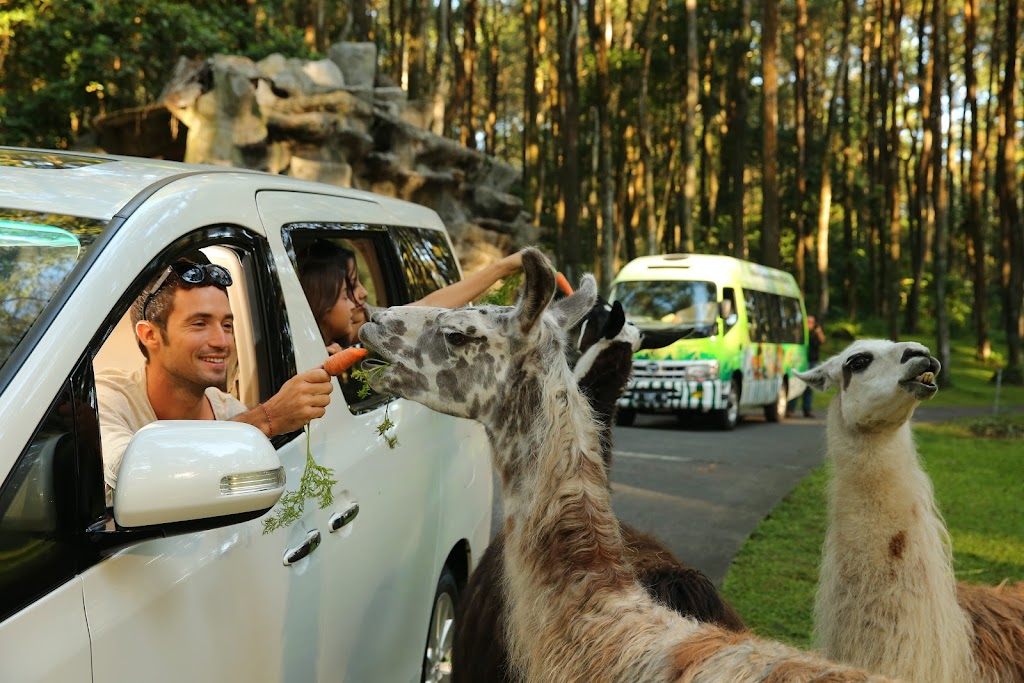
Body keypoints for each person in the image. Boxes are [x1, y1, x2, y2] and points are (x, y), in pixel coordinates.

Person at [97, 256, 335, 506]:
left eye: (227, 325)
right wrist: (265, 418)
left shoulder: (230, 410)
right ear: (150, 335)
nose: (222, 342)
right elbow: (130, 473)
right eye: (200, 324)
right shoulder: (110, 398)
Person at [296, 240, 527, 352]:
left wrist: (502, 268)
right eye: (350, 289)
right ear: (321, 300)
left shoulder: (360, 324)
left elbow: (426, 307)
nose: (363, 293)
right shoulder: (298, 348)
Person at [788, 313, 826, 418]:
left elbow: (822, 341)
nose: (810, 324)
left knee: (809, 386)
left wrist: (819, 332)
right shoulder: (800, 332)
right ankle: (790, 409)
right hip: (800, 362)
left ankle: (807, 409)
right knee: (796, 384)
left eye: (811, 322)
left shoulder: (815, 333)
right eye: (808, 322)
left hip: (812, 361)